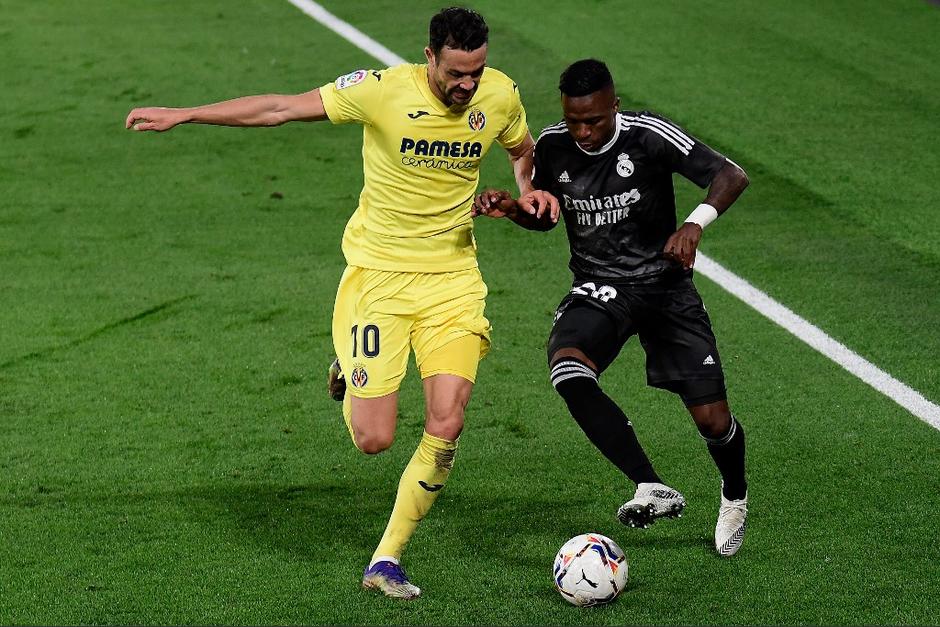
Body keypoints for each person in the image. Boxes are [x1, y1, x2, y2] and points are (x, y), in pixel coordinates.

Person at [126, 7, 557, 598]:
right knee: (373, 439)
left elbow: (522, 146)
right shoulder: (380, 91)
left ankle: (386, 558)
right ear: (429, 57)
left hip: (453, 281)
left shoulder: (499, 94)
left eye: (475, 73)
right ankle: (348, 372)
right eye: (456, 73)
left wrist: (527, 192)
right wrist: (188, 114)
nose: (467, 86)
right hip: (379, 280)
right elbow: (280, 108)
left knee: (447, 421)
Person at [472, 58, 750, 557]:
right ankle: (650, 484)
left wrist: (694, 224)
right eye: (575, 119)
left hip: (664, 286)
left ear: (613, 107)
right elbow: (547, 217)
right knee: (568, 369)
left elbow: (731, 175)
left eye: (594, 120)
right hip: (601, 286)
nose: (583, 131)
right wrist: (515, 208)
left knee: (712, 420)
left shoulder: (648, 135)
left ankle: (734, 495)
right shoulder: (554, 146)